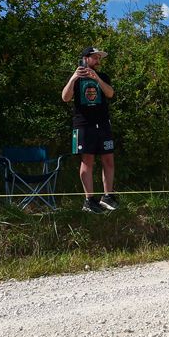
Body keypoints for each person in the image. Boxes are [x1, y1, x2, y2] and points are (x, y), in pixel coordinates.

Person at [61, 47, 117, 213]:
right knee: (87, 161)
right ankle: (89, 200)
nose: (98, 60)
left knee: (108, 159)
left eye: (99, 57)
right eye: (95, 57)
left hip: (103, 123)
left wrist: (97, 79)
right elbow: (65, 97)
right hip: (84, 124)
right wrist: (73, 78)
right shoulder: (76, 77)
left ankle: (108, 196)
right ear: (85, 58)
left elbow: (110, 93)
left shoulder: (103, 76)